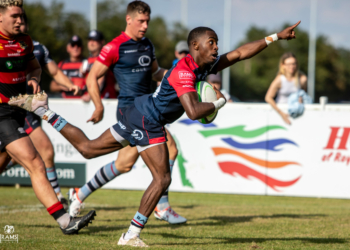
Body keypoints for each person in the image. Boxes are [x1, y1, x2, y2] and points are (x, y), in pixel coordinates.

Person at [10, 20, 300, 247]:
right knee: (162, 177)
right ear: (195, 46)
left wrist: (275, 37)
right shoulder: (184, 72)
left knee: (88, 149)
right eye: (211, 43)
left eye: (217, 43)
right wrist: (220, 102)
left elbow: (238, 54)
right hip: (148, 120)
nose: (216, 48)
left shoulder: (203, 64)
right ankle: (131, 235)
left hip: (138, 111)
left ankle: (44, 111)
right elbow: (194, 112)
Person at [67, 1, 186, 225]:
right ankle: (162, 207)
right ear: (128, 19)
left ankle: (79, 193)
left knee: (124, 164)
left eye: (147, 21)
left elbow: (156, 72)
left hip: (147, 109)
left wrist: (180, 75)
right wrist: (98, 105)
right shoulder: (114, 47)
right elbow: (92, 77)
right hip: (131, 111)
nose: (145, 26)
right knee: (170, 148)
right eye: (141, 21)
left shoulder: (147, 45)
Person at [0, 0, 95, 234]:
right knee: (35, 162)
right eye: (14, 16)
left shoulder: (25, 41)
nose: (20, 20)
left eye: (21, 16)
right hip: (2, 114)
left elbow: (35, 67)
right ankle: (65, 221)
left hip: (19, 110)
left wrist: (33, 79)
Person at [4, 11, 82, 210]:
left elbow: (53, 71)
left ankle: (55, 195)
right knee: (45, 150)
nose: (19, 24)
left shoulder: (35, 47)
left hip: (29, 107)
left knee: (11, 156)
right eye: (15, 20)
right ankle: (57, 196)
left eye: (22, 21)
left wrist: (69, 85)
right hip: (16, 107)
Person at [265, 52, 307, 124]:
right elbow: (268, 98)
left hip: (296, 114)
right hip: (280, 114)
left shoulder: (302, 79)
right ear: (283, 65)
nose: (292, 66)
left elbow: (303, 95)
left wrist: (301, 100)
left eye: (294, 63)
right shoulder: (279, 80)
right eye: (289, 64)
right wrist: (281, 113)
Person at [81, 30, 117, 101]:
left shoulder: (106, 57)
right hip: (91, 99)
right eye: (90, 40)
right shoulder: (86, 60)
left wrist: (90, 95)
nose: (91, 43)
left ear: (102, 42)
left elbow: (100, 79)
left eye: (95, 40)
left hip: (106, 100)